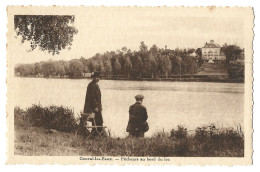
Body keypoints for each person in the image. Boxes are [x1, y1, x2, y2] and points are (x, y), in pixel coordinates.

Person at [83, 72, 103, 136]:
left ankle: (98, 133)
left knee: (100, 120)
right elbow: (92, 98)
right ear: (93, 78)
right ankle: (96, 133)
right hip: (92, 108)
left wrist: (100, 106)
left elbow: (98, 98)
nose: (98, 79)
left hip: (97, 107)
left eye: (99, 77)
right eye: (96, 77)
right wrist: (95, 107)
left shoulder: (96, 85)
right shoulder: (91, 85)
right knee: (97, 120)